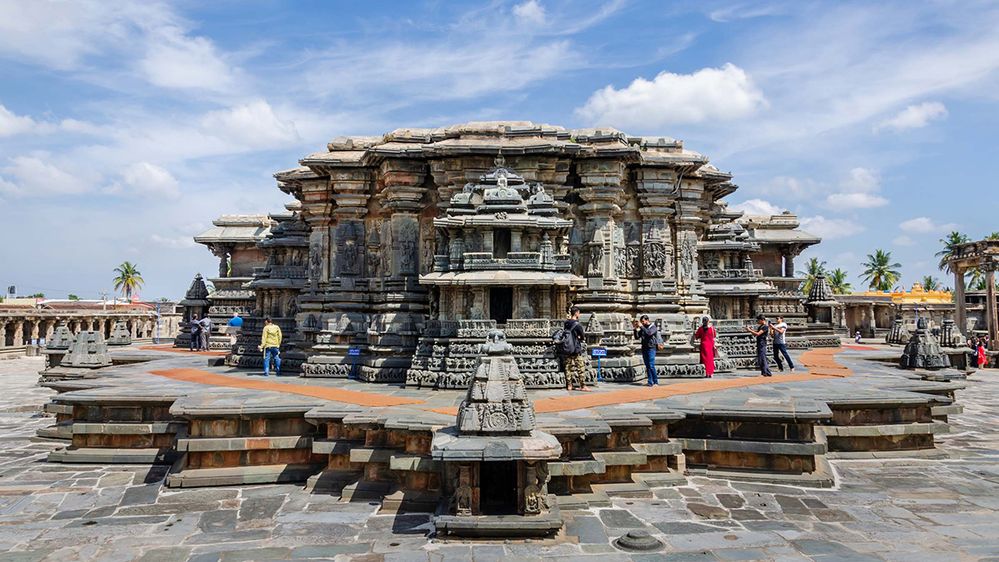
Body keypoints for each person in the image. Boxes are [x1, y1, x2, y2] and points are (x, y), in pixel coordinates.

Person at [561, 306, 589, 391]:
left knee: (567, 367)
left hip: (567, 348)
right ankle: (583, 385)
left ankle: (569, 385)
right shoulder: (578, 324)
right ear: (576, 313)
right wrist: (579, 337)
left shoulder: (566, 323)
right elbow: (583, 337)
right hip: (576, 348)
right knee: (580, 367)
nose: (579, 314)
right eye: (579, 313)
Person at [633, 315, 662, 386]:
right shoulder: (643, 328)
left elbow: (649, 333)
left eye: (643, 321)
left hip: (651, 348)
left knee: (651, 365)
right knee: (647, 365)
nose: (642, 323)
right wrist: (635, 329)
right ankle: (650, 381)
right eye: (641, 322)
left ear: (647, 320)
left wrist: (641, 327)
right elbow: (637, 337)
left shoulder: (653, 327)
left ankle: (655, 382)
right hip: (644, 348)